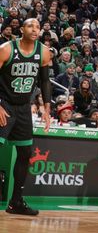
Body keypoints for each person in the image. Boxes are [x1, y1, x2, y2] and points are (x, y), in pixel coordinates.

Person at [0, 18, 53, 215]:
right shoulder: (6, 49)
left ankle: (16, 202)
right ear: (21, 29)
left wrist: (46, 109)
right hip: (4, 104)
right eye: (30, 25)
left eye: (38, 26)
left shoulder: (44, 52)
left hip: (23, 108)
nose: (35, 29)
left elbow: (46, 81)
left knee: (25, 153)